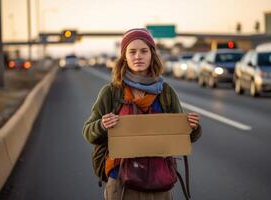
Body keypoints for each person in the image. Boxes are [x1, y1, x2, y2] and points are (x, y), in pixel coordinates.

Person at [82, 28, 202, 200]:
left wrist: (193, 127)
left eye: (144, 51)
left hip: (159, 183)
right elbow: (88, 133)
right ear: (124, 57)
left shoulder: (166, 93)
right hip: (122, 183)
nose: (138, 56)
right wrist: (102, 125)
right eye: (132, 51)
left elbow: (183, 137)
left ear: (152, 55)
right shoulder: (111, 93)